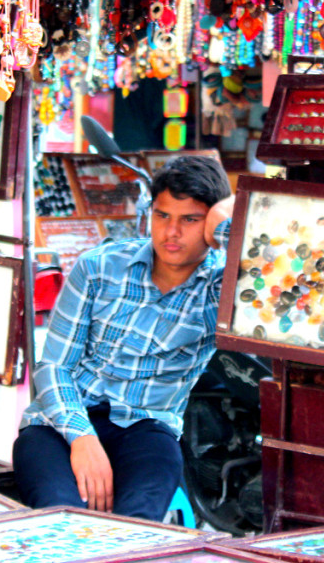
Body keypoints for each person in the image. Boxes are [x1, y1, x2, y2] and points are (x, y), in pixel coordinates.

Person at [14, 155, 235, 521]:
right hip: (60, 424)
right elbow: (53, 366)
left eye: (190, 220)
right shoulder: (99, 266)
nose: (171, 232)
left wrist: (225, 217)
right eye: (162, 215)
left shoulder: (220, 293)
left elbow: (270, 263)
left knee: (136, 530)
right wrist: (81, 437)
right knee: (59, 520)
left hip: (146, 430)